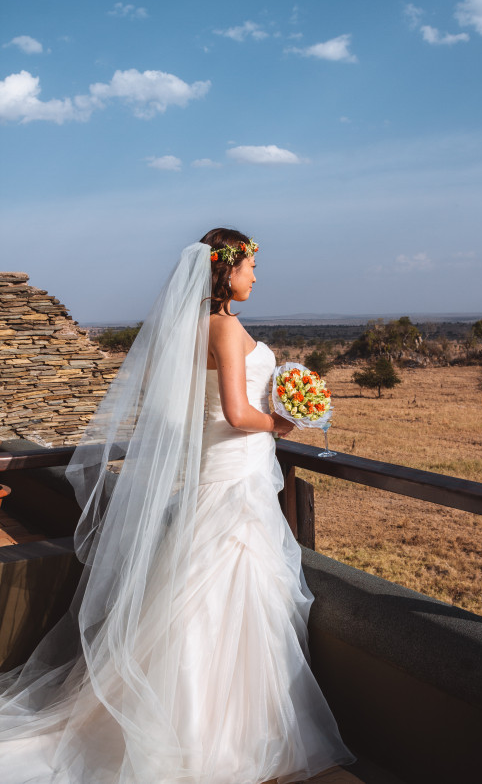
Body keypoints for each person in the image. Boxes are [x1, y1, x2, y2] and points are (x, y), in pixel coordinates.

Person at [0, 228, 357, 783]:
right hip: (234, 477)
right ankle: (226, 736)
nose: (256, 277)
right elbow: (239, 414)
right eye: (251, 268)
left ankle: (198, 724)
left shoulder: (193, 327)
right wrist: (283, 423)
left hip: (219, 470)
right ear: (226, 271)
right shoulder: (226, 328)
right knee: (229, 594)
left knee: (199, 594)